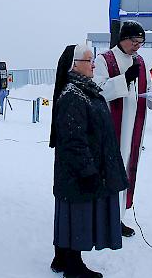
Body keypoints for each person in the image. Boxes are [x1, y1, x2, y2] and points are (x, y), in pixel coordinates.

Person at [50, 44, 129, 278]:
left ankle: (62, 259)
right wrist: (88, 171)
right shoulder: (73, 96)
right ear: (75, 65)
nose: (94, 64)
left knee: (72, 214)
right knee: (77, 216)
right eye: (89, 60)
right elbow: (73, 140)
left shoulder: (85, 91)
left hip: (84, 169)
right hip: (79, 172)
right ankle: (73, 267)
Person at [93, 20, 152, 238]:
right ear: (123, 39)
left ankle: (118, 217)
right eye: (134, 41)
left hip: (134, 126)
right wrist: (123, 80)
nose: (137, 46)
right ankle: (104, 216)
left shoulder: (141, 62)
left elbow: (146, 91)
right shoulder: (104, 59)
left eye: (141, 42)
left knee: (127, 171)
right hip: (113, 127)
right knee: (110, 171)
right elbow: (97, 91)